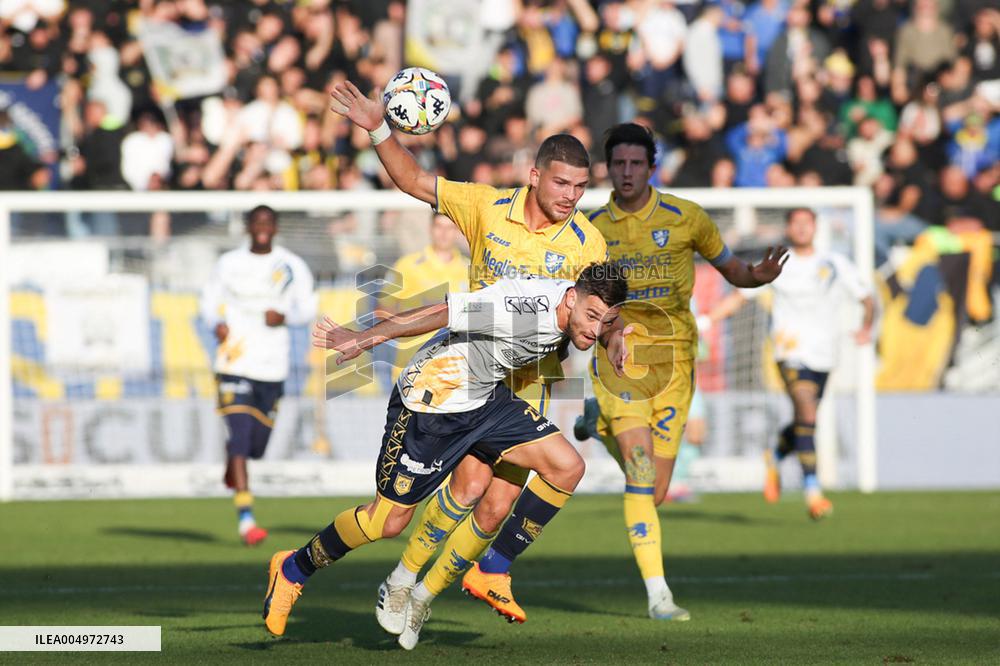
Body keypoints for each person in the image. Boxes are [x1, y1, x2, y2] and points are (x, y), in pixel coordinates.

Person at [326, 80, 618, 628]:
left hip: (532, 380)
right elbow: (414, 180)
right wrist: (379, 128)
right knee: (469, 487)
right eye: (562, 183)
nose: (571, 196)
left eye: (581, 187)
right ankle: (404, 581)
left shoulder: (588, 243)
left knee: (497, 504)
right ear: (534, 175)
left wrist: (616, 339)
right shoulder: (487, 205)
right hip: (471, 370)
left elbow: (599, 310)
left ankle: (421, 594)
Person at [263, 264, 629, 650]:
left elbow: (605, 318)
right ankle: (293, 568)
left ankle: (493, 568)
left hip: (484, 400)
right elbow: (443, 311)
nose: (595, 329)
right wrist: (365, 338)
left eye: (605, 322)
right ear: (570, 298)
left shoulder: (581, 308)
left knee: (567, 466)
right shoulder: (518, 309)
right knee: (386, 521)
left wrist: (614, 338)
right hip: (430, 402)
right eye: (592, 317)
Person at [571, 123, 789, 621]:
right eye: (618, 164)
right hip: (620, 362)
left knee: (656, 490)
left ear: (652, 167)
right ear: (608, 169)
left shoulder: (686, 218)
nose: (627, 172)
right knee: (640, 473)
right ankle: (658, 596)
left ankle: (596, 423)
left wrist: (755, 277)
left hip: (675, 367)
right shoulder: (591, 230)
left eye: (636, 163)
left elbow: (731, 268)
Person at [703, 208, 874, 519]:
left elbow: (867, 298)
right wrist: (705, 321)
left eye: (807, 223)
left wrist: (866, 326)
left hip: (825, 355)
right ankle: (813, 493)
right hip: (789, 351)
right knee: (807, 412)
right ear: (789, 228)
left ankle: (775, 455)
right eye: (796, 223)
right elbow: (740, 297)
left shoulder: (834, 263)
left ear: (816, 227)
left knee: (804, 420)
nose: (802, 228)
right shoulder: (778, 264)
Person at [200, 205, 317, 545]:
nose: (263, 228)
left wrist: (285, 318)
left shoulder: (291, 265)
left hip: (272, 366)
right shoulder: (229, 263)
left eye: (268, 222)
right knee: (238, 436)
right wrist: (216, 323)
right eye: (257, 222)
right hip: (233, 361)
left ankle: (233, 465)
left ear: (275, 228)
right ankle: (246, 521)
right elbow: (208, 301)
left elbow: (308, 307)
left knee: (256, 447)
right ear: (248, 227)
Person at [380, 214, 469, 383]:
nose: (444, 233)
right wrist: (407, 327)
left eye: (450, 228)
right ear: (430, 229)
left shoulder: (469, 269)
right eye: (439, 227)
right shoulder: (407, 265)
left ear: (458, 232)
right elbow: (384, 307)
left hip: (453, 369)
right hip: (411, 365)